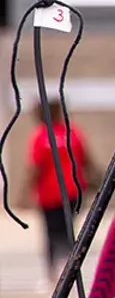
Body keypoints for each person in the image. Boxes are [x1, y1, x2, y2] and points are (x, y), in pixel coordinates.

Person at [25, 98, 95, 277]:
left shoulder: (40, 136)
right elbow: (86, 159)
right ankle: (69, 267)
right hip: (72, 189)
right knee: (67, 228)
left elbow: (35, 168)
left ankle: (55, 270)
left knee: (52, 231)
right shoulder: (72, 133)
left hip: (51, 193)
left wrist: (24, 192)